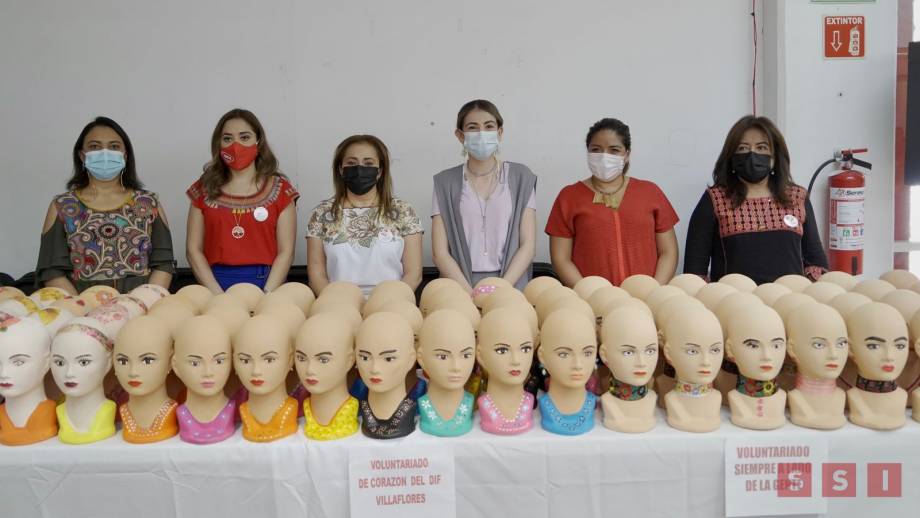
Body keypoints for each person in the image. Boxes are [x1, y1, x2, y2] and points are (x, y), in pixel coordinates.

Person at [36, 117, 175, 294]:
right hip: (81, 307)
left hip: (142, 307)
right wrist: (82, 308)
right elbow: (51, 271)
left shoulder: (148, 203)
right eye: (94, 146)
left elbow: (164, 264)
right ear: (81, 155)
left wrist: (142, 302)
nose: (105, 153)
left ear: (125, 155)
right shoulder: (63, 206)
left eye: (114, 146)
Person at [683, 115, 828, 283]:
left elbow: (816, 260)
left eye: (762, 148)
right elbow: (694, 271)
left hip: (789, 303)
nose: (752, 154)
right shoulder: (715, 199)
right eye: (743, 148)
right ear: (731, 157)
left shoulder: (797, 197)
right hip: (733, 304)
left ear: (775, 156)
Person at [545, 118, 679, 287]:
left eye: (614, 150)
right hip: (591, 301)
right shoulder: (568, 197)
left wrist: (654, 290)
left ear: (627, 154)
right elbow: (561, 258)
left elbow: (668, 251)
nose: (604, 157)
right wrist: (589, 293)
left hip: (646, 300)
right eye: (596, 150)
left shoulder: (650, 192)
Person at [186, 109, 299, 293]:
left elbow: (286, 252)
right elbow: (193, 249)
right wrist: (216, 294)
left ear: (258, 141)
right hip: (213, 280)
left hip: (267, 279)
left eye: (244, 137)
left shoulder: (281, 190)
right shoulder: (203, 189)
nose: (235, 145)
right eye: (228, 138)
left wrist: (266, 294)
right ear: (219, 144)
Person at [431, 100, 537, 292]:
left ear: (500, 132)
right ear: (460, 135)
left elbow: (527, 245)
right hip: (459, 285)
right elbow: (440, 253)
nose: (481, 133)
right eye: (473, 127)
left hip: (512, 284)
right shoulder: (444, 182)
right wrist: (470, 293)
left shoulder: (521, 177)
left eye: (489, 126)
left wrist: (501, 287)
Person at [306, 135, 423, 296]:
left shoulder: (403, 211)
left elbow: (413, 274)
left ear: (380, 171)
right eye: (351, 163)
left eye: (368, 163)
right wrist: (337, 302)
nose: (359, 169)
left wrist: (387, 301)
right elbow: (317, 276)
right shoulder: (322, 214)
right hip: (338, 304)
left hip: (391, 304)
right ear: (340, 169)